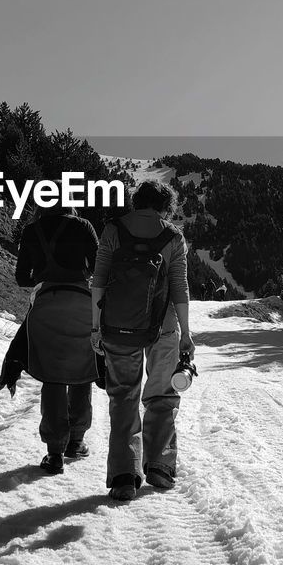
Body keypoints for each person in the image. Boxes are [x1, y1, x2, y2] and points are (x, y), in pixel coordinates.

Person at [91, 180, 195, 501]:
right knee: (162, 395)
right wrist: (186, 334)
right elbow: (180, 288)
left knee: (123, 396)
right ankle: (160, 466)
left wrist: (96, 327)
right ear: (166, 206)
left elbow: (99, 280)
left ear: (137, 202)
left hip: (118, 326)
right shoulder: (173, 236)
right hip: (163, 328)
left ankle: (124, 474)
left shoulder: (113, 230)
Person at [0, 198, 99, 474]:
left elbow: (21, 277)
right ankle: (76, 441)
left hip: (46, 305)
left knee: (52, 376)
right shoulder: (84, 225)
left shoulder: (32, 230)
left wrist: (44, 275)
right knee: (82, 368)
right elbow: (100, 267)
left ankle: (54, 454)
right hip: (81, 303)